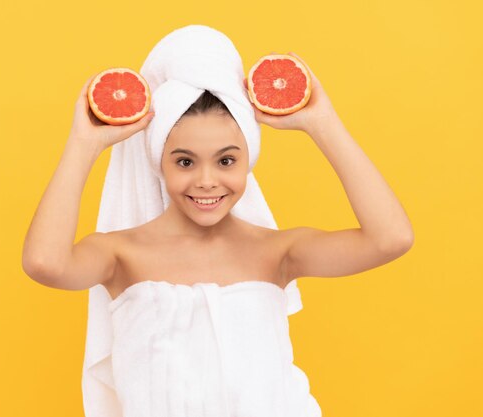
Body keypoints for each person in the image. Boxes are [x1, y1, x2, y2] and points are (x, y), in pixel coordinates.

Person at [22, 28, 413, 417]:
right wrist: (84, 142)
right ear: (159, 161)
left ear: (249, 161)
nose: (206, 181)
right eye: (185, 161)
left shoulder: (276, 253)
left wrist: (322, 122)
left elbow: (390, 238)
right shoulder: (121, 255)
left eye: (226, 160)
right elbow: (46, 264)